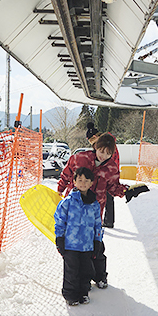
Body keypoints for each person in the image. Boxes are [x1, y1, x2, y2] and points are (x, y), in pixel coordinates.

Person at [58, 132, 148, 288]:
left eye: (108, 153)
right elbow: (66, 174)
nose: (103, 156)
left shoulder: (111, 167)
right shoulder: (80, 158)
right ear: (95, 147)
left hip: (95, 210)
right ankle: (77, 280)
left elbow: (113, 187)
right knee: (74, 247)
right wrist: (60, 189)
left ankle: (100, 276)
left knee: (96, 245)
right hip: (75, 210)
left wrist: (126, 191)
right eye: (101, 151)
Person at [54, 167, 103, 306]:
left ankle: (83, 293)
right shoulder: (67, 202)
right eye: (79, 180)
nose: (83, 183)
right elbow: (60, 221)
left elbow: (97, 224)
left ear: (91, 183)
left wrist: (97, 241)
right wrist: (60, 238)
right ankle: (71, 295)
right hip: (71, 244)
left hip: (87, 245)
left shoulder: (94, 204)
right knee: (71, 271)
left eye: (86, 181)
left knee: (86, 270)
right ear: (74, 181)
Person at [86, 122, 115, 228]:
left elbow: (112, 162)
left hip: (107, 176)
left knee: (107, 198)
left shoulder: (106, 145)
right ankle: (107, 221)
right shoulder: (105, 144)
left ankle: (108, 221)